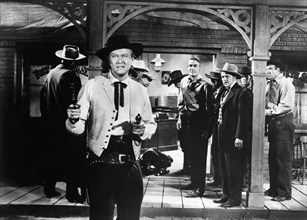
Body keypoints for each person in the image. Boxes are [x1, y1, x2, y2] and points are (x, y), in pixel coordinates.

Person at [66, 34, 157, 220]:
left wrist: (144, 131)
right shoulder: (93, 86)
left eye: (125, 56)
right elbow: (78, 127)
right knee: (100, 216)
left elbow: (150, 123)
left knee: (130, 217)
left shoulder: (140, 90)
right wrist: (73, 120)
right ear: (108, 60)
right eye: (115, 56)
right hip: (100, 165)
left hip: (131, 164)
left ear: (132, 59)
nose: (120, 60)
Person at [40, 45, 87, 203]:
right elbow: (75, 103)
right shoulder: (71, 76)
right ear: (73, 62)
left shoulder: (51, 73)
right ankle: (72, 193)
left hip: (49, 125)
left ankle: (49, 189)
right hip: (66, 126)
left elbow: (43, 98)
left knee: (51, 158)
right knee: (72, 161)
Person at [213, 63, 252, 207]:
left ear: (235, 77)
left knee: (234, 169)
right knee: (223, 166)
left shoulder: (242, 93)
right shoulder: (223, 92)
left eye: (227, 77)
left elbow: (244, 118)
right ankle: (226, 194)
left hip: (234, 137)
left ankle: (234, 199)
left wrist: (239, 136)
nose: (224, 79)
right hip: (222, 135)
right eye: (222, 77)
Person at [177, 56, 216, 197]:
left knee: (200, 156)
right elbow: (180, 101)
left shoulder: (206, 85)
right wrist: (180, 117)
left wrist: (208, 129)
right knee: (190, 154)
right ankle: (193, 182)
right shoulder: (183, 82)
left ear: (199, 68)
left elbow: (211, 110)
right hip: (187, 122)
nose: (192, 68)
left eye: (195, 66)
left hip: (200, 123)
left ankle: (200, 187)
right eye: (190, 66)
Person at [264, 59, 295, 202]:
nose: (267, 71)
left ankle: (284, 192)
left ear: (278, 70)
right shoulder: (268, 84)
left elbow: (286, 105)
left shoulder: (286, 83)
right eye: (266, 69)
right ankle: (274, 189)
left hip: (283, 121)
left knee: (283, 159)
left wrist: (269, 112)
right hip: (273, 123)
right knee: (273, 158)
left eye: (270, 68)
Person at [168, 70, 190, 174]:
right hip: (183, 120)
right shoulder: (181, 89)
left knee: (188, 144)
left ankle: (189, 168)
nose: (177, 86)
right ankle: (186, 167)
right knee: (184, 144)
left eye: (177, 83)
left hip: (188, 121)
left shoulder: (187, 89)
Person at [205, 69, 223, 188]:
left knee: (218, 154)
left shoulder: (221, 92)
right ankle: (217, 179)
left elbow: (214, 112)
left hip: (219, 126)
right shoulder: (217, 91)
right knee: (215, 154)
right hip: (215, 126)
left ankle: (219, 180)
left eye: (213, 81)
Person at [239, 66, 253, 190]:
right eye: (242, 77)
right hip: (243, 130)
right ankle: (243, 182)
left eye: (247, 77)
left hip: (251, 130)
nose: (244, 79)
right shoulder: (241, 92)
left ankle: (247, 182)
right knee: (242, 158)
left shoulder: (251, 93)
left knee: (248, 158)